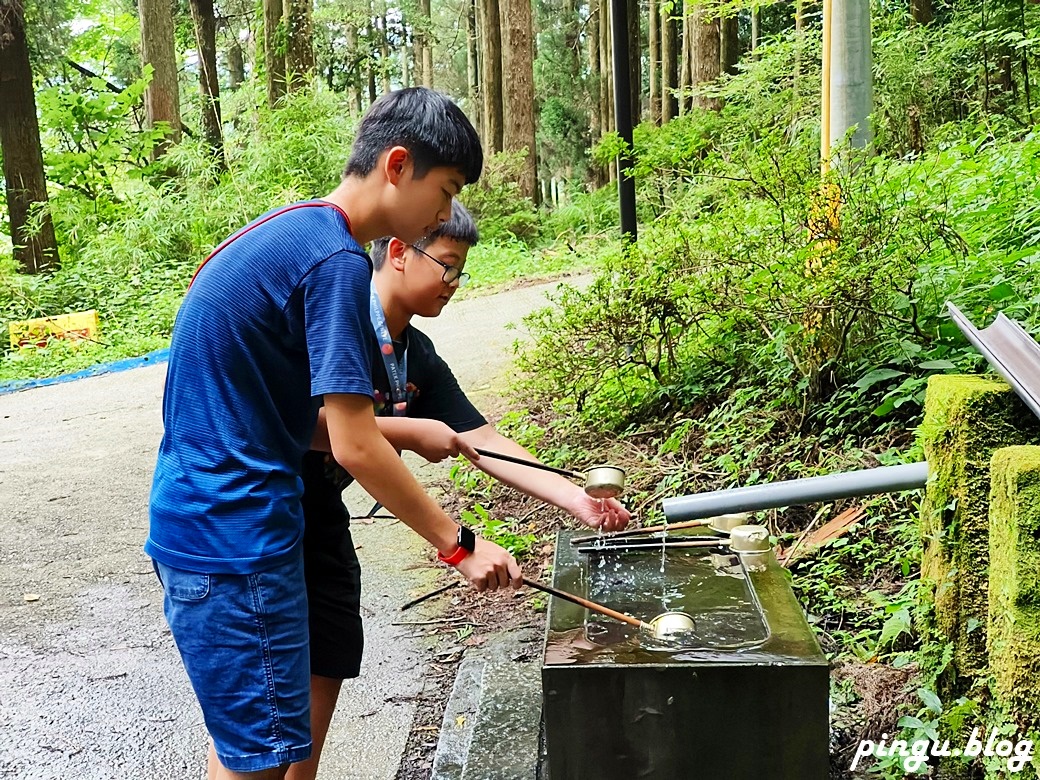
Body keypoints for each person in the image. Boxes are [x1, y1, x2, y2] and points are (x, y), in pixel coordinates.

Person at [147, 87, 523, 780]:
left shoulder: (294, 232)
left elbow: (299, 422)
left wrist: (410, 432)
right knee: (256, 764)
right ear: (398, 165)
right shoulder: (336, 262)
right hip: (236, 538)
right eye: (444, 192)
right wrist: (460, 545)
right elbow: (355, 444)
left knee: (262, 751)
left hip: (214, 528)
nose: (444, 214)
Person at [294, 200, 632, 779]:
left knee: (321, 674)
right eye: (447, 265)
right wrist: (412, 442)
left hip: (322, 521)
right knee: (264, 716)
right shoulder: (338, 316)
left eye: (461, 271)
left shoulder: (415, 352)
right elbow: (301, 423)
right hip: (263, 519)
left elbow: (484, 440)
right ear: (398, 253)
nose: (453, 283)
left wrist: (577, 499)